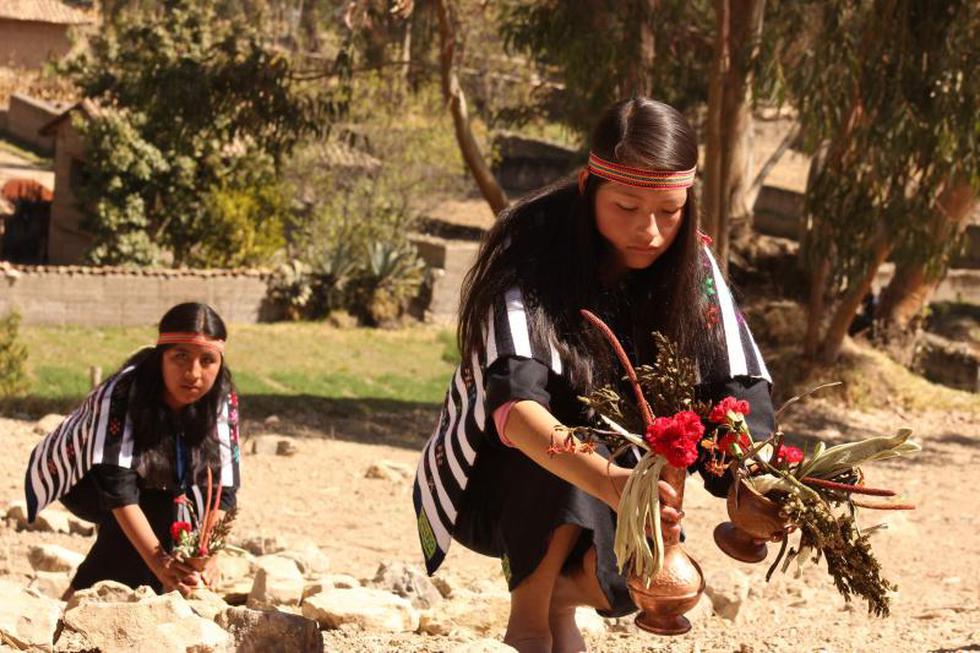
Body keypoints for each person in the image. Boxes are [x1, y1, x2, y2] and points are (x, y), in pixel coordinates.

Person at [412, 97, 775, 652]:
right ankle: (529, 623)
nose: (649, 232)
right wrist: (613, 484)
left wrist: (763, 480)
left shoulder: (692, 265)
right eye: (626, 207)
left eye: (669, 211)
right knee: (563, 439)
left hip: (618, 474)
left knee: (635, 577)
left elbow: (740, 389)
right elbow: (515, 410)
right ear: (589, 187)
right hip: (503, 470)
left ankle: (562, 599)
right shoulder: (528, 255)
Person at [25, 302, 241, 598]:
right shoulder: (124, 391)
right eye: (180, 357)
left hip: (157, 476)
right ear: (160, 358)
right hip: (83, 478)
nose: (193, 373)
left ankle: (140, 598)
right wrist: (160, 563)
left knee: (171, 514)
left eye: (207, 360)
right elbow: (117, 486)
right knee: (153, 509)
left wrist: (208, 555)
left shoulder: (221, 396)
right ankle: (77, 601)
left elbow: (224, 485)